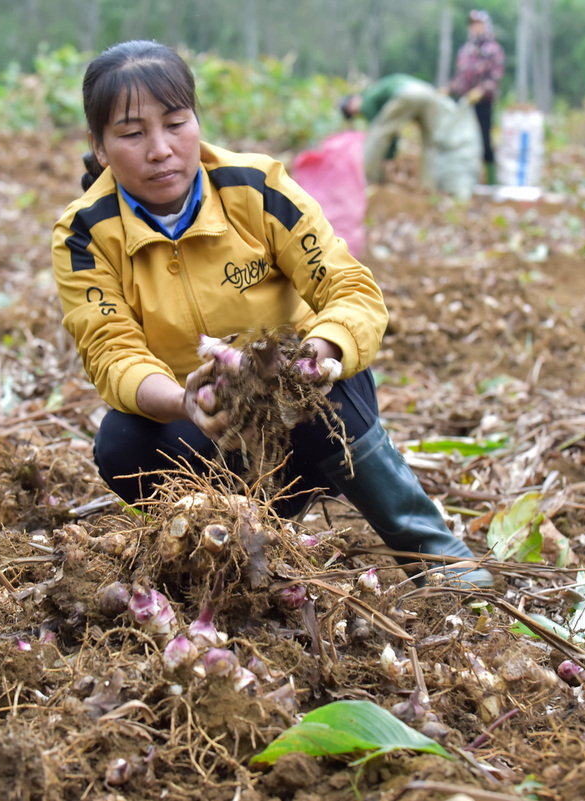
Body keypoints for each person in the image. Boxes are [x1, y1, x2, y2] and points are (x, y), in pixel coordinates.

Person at [51, 40, 493, 589]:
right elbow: (110, 350)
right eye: (132, 133)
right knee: (122, 442)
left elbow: (352, 290)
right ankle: (226, 543)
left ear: (197, 121)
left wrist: (314, 355)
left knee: (324, 385)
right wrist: (185, 401)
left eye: (176, 124)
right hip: (201, 431)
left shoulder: (257, 189)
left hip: (303, 420)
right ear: (99, 147)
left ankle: (438, 557)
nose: (161, 149)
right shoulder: (85, 233)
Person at [339, 74, 481, 199]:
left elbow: (385, 134)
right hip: (429, 93)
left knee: (379, 132)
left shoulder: (367, 99)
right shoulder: (376, 91)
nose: (355, 113)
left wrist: (388, 156)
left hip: (409, 93)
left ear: (354, 99)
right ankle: (429, 188)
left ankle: (366, 177)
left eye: (350, 110)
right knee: (429, 143)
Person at [449, 9, 505, 185]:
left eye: (478, 24)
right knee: (461, 140)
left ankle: (490, 180)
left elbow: (495, 78)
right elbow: (459, 77)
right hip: (464, 102)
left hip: (483, 103)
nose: (475, 28)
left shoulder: (493, 50)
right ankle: (465, 179)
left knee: (484, 140)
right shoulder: (466, 50)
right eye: (472, 25)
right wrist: (448, 89)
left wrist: (481, 91)